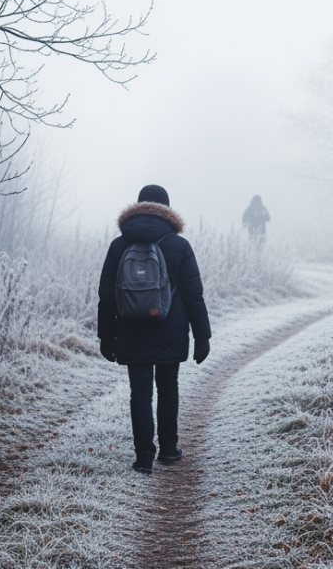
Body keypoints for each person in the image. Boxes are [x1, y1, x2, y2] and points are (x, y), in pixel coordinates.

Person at [97, 184, 211, 474]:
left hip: (130, 329)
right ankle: (169, 449)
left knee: (140, 393)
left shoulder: (119, 246)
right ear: (167, 210)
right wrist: (202, 336)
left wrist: (105, 336)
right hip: (170, 329)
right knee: (168, 387)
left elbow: (107, 296)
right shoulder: (179, 246)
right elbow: (193, 295)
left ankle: (143, 457)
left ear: (138, 207)